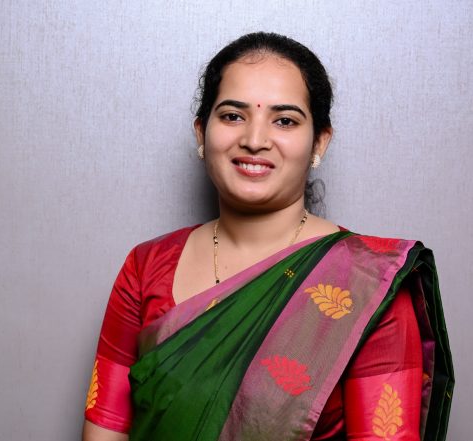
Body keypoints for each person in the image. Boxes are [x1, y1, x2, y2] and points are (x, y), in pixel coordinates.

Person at [82, 32, 453, 441]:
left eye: (285, 120)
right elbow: (105, 430)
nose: (255, 140)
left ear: (319, 142)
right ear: (202, 132)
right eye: (232, 116)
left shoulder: (368, 283)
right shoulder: (146, 266)